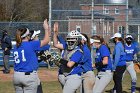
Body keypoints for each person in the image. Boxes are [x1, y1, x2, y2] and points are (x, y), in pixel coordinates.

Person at [13, 19, 50, 93]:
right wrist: (46, 28)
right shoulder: (31, 44)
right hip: (28, 76)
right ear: (27, 36)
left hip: (16, 76)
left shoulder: (16, 46)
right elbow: (46, 41)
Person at [53, 23, 84, 93]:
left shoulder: (78, 51)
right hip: (64, 75)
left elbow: (69, 64)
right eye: (69, 40)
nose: (70, 42)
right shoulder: (66, 46)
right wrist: (55, 33)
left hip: (73, 76)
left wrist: (58, 59)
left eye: (72, 41)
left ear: (77, 41)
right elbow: (55, 44)